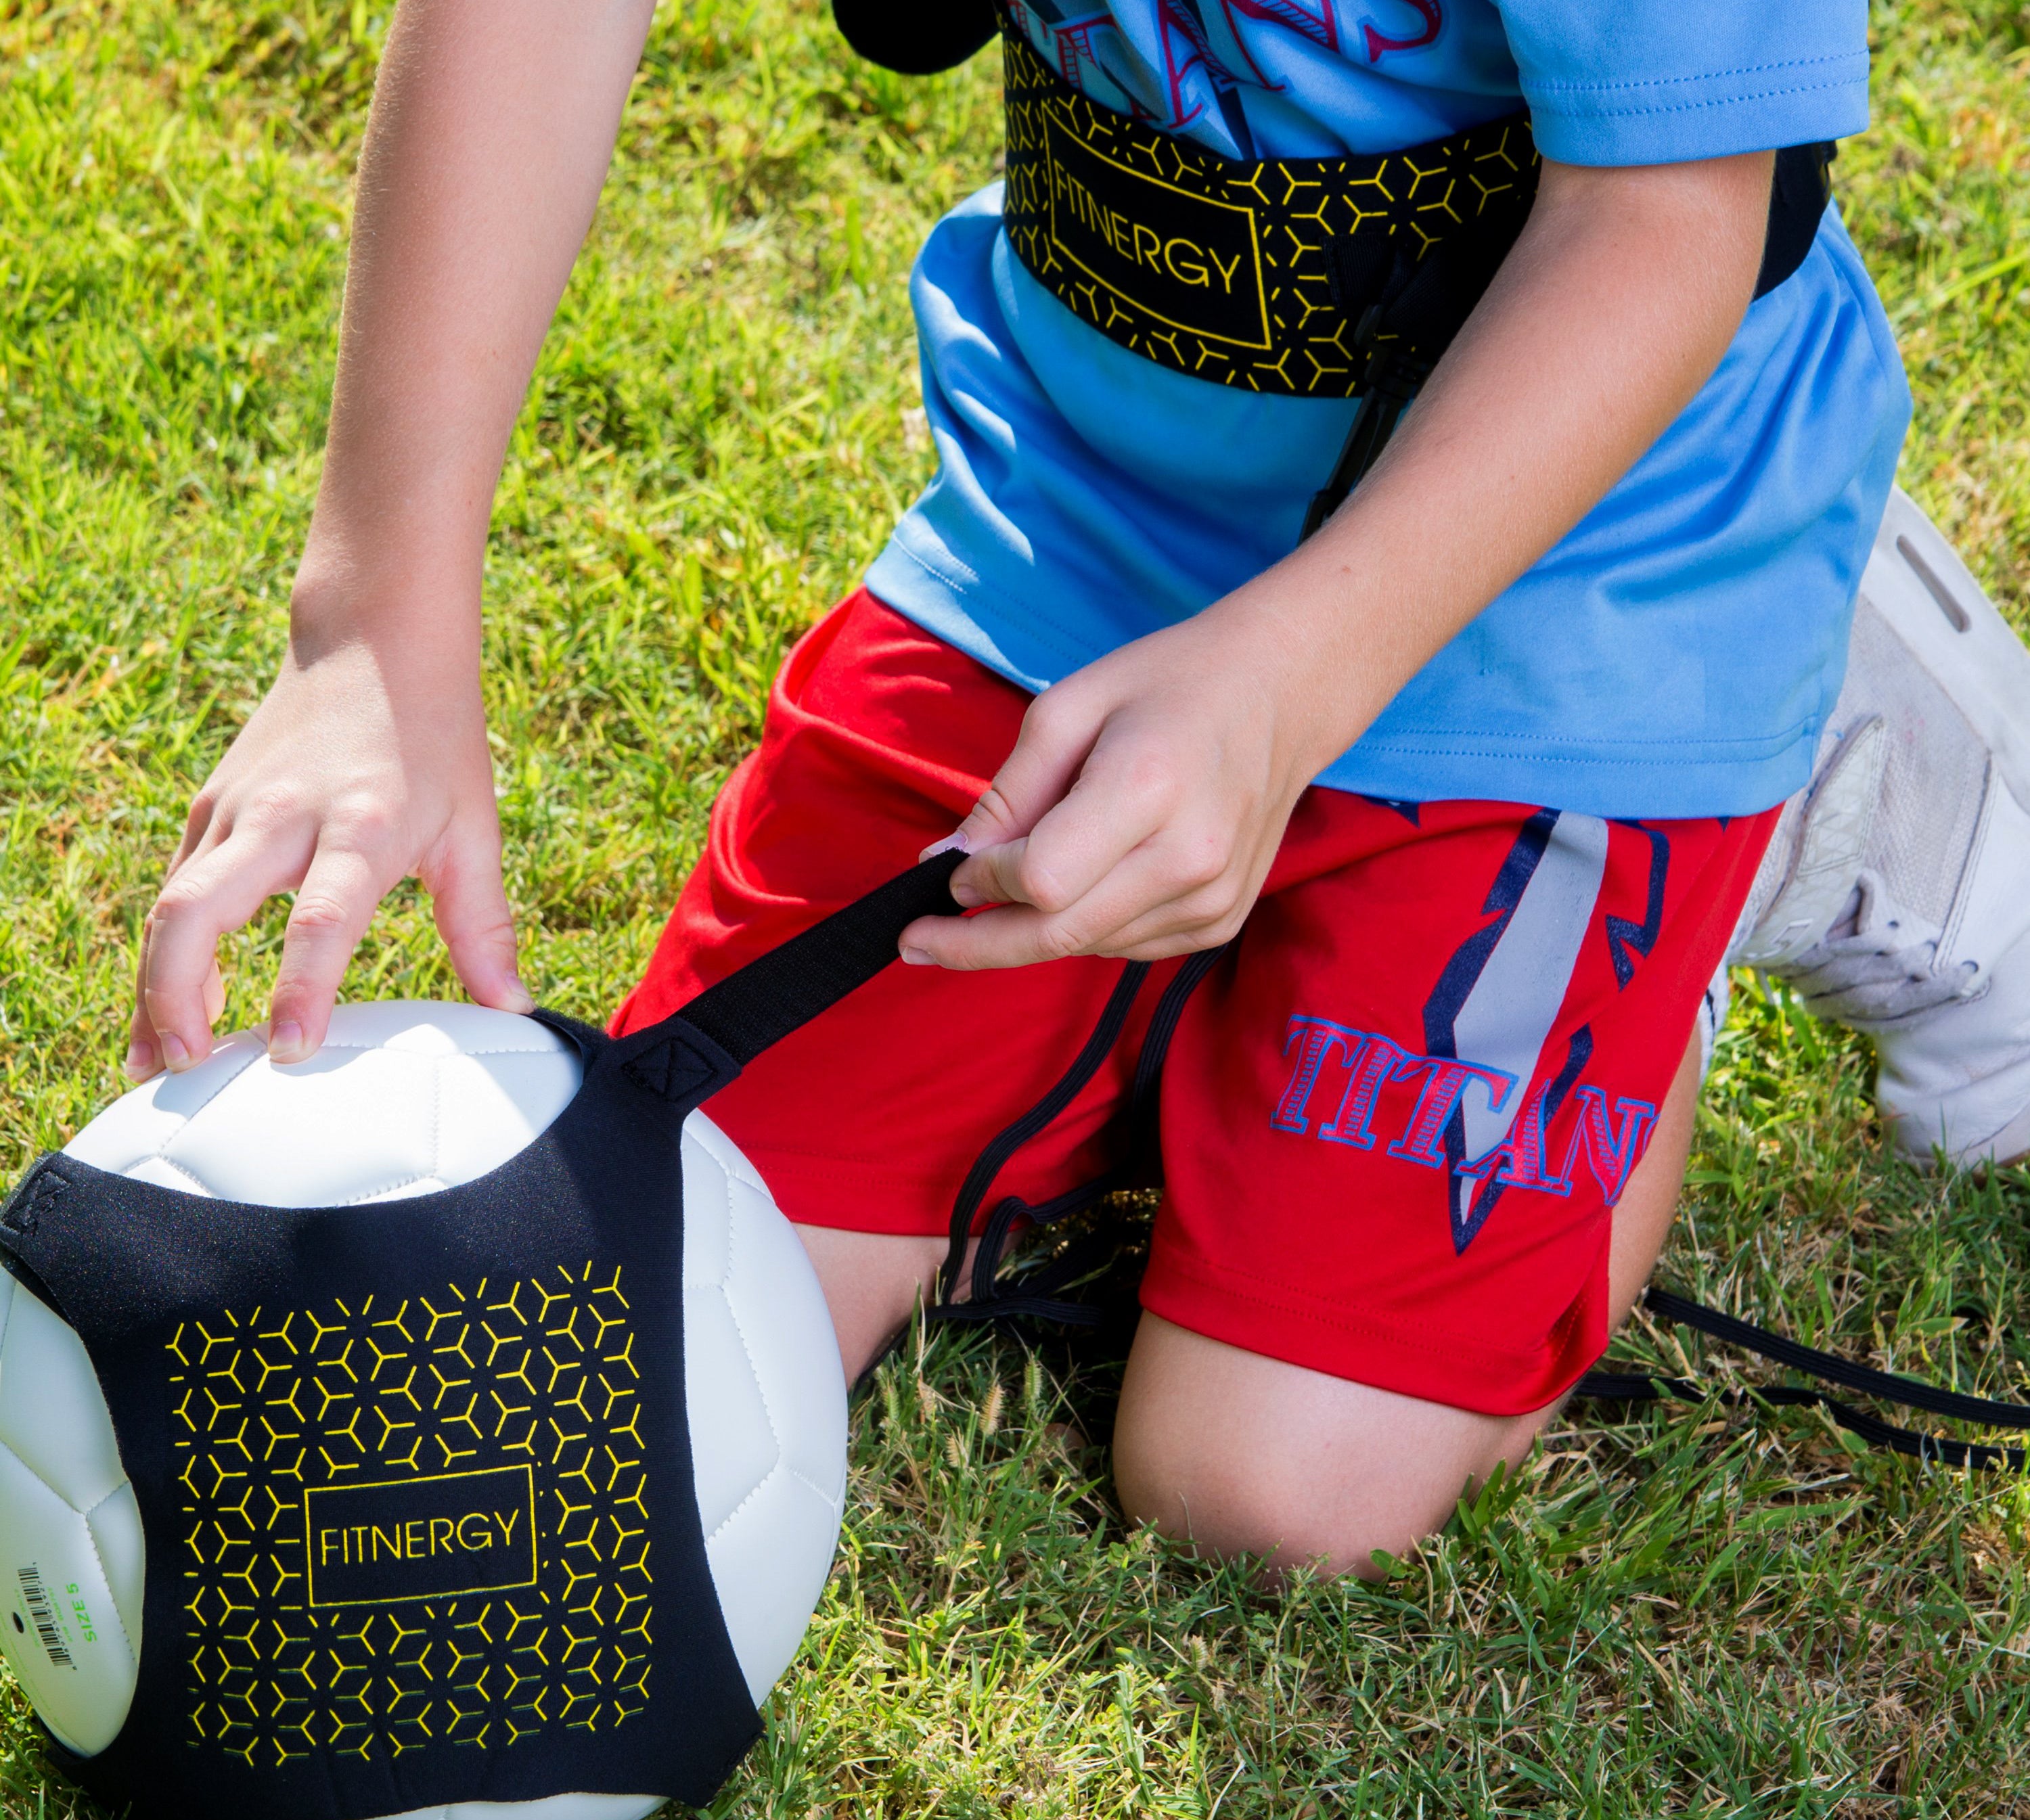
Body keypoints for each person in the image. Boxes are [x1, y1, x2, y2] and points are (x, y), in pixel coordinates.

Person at [123, 0, 2008, 1580]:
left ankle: (1780, 755)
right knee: (690, 1278)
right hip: (1094, 537)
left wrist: (1283, 691)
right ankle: (1238, 921)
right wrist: (374, 625)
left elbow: (1669, 217)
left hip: (1593, 567)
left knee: (1269, 1492)